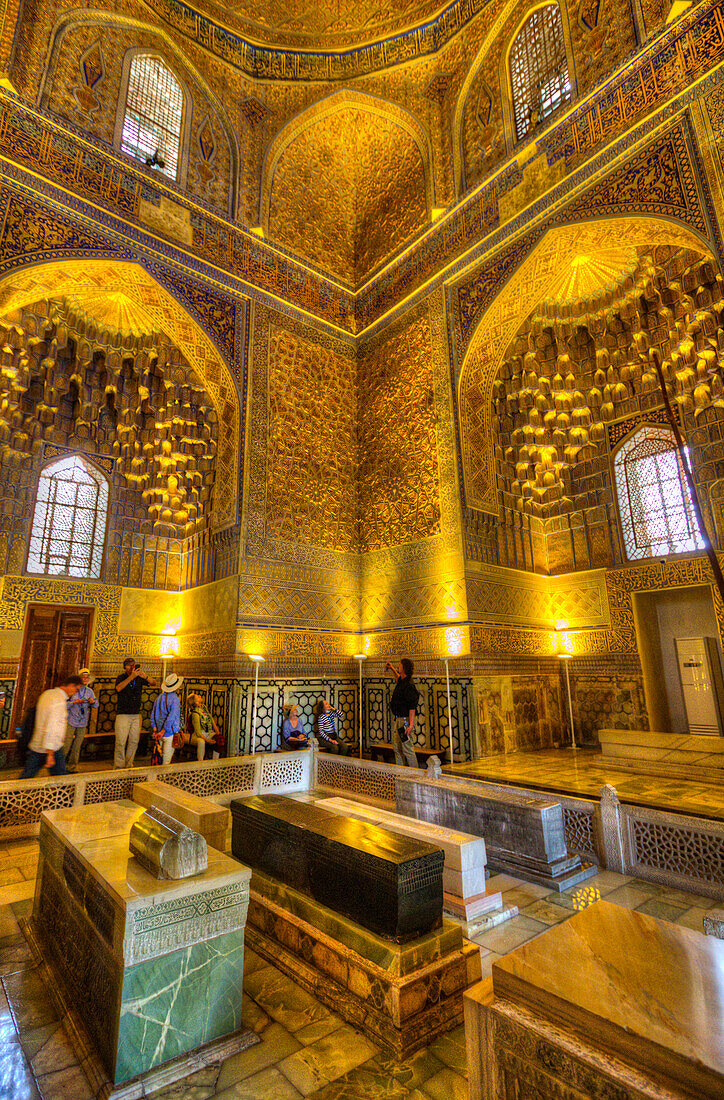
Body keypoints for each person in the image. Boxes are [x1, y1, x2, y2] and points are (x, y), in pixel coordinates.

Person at [20, 675, 84, 778]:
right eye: (76, 689)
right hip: (52, 747)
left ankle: (15, 792)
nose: (76, 693)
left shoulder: (47, 694)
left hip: (37, 744)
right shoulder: (59, 701)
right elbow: (53, 726)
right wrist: (50, 753)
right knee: (60, 781)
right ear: (71, 686)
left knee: (27, 776)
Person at [114, 657, 157, 769]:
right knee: (121, 742)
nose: (131, 667)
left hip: (136, 714)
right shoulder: (121, 677)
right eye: (129, 665)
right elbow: (118, 688)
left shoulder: (138, 678)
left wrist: (145, 677)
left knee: (133, 741)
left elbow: (154, 683)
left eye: (133, 665)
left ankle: (128, 765)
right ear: (124, 667)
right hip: (123, 714)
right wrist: (131, 677)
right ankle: (119, 766)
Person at [63, 668, 99, 773]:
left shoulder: (89, 691)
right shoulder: (73, 689)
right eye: (83, 677)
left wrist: (92, 702)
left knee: (77, 746)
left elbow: (96, 705)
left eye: (87, 677)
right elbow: (63, 705)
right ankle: (60, 766)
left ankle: (72, 767)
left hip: (83, 722)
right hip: (71, 721)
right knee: (66, 744)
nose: (85, 679)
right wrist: (74, 703)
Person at [385, 658, 420, 768]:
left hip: (405, 721)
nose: (398, 667)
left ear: (404, 668)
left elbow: (412, 707)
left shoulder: (409, 685)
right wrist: (391, 669)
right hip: (399, 720)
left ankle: (415, 773)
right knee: (397, 747)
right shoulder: (402, 680)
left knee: (407, 748)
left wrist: (410, 725)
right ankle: (400, 771)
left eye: (399, 665)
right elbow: (397, 678)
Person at [150, 674, 184, 766]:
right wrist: (164, 731)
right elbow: (171, 718)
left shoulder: (159, 697)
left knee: (159, 758)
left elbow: (153, 714)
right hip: (169, 733)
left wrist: (155, 730)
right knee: (166, 761)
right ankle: (162, 779)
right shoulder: (175, 699)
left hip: (159, 732)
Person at [187, 693, 219, 761]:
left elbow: (210, 718)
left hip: (208, 733)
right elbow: (198, 732)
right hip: (198, 735)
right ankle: (200, 763)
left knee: (219, 739)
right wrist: (207, 740)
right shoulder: (195, 713)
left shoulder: (203, 707)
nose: (199, 696)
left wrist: (216, 729)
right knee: (201, 742)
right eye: (197, 697)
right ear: (195, 702)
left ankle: (215, 761)